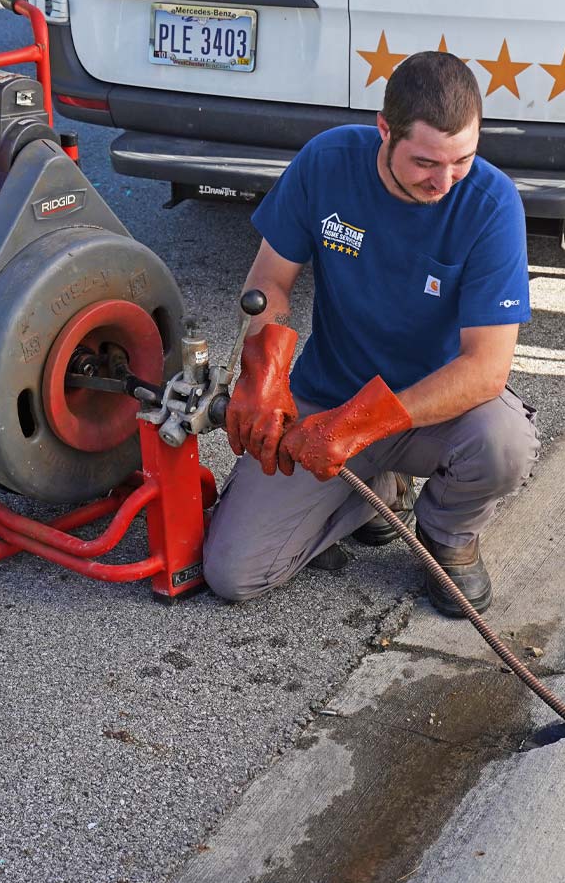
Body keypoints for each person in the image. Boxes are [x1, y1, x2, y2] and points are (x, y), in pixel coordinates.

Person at [203, 51, 539, 616]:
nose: (446, 180)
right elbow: (269, 281)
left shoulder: (490, 202)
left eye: (463, 159)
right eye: (427, 162)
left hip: (435, 412)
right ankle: (375, 495)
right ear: (385, 130)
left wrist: (360, 426)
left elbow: (486, 368)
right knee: (233, 573)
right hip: (328, 398)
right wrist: (264, 375)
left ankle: (446, 534)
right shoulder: (327, 162)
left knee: (504, 445)